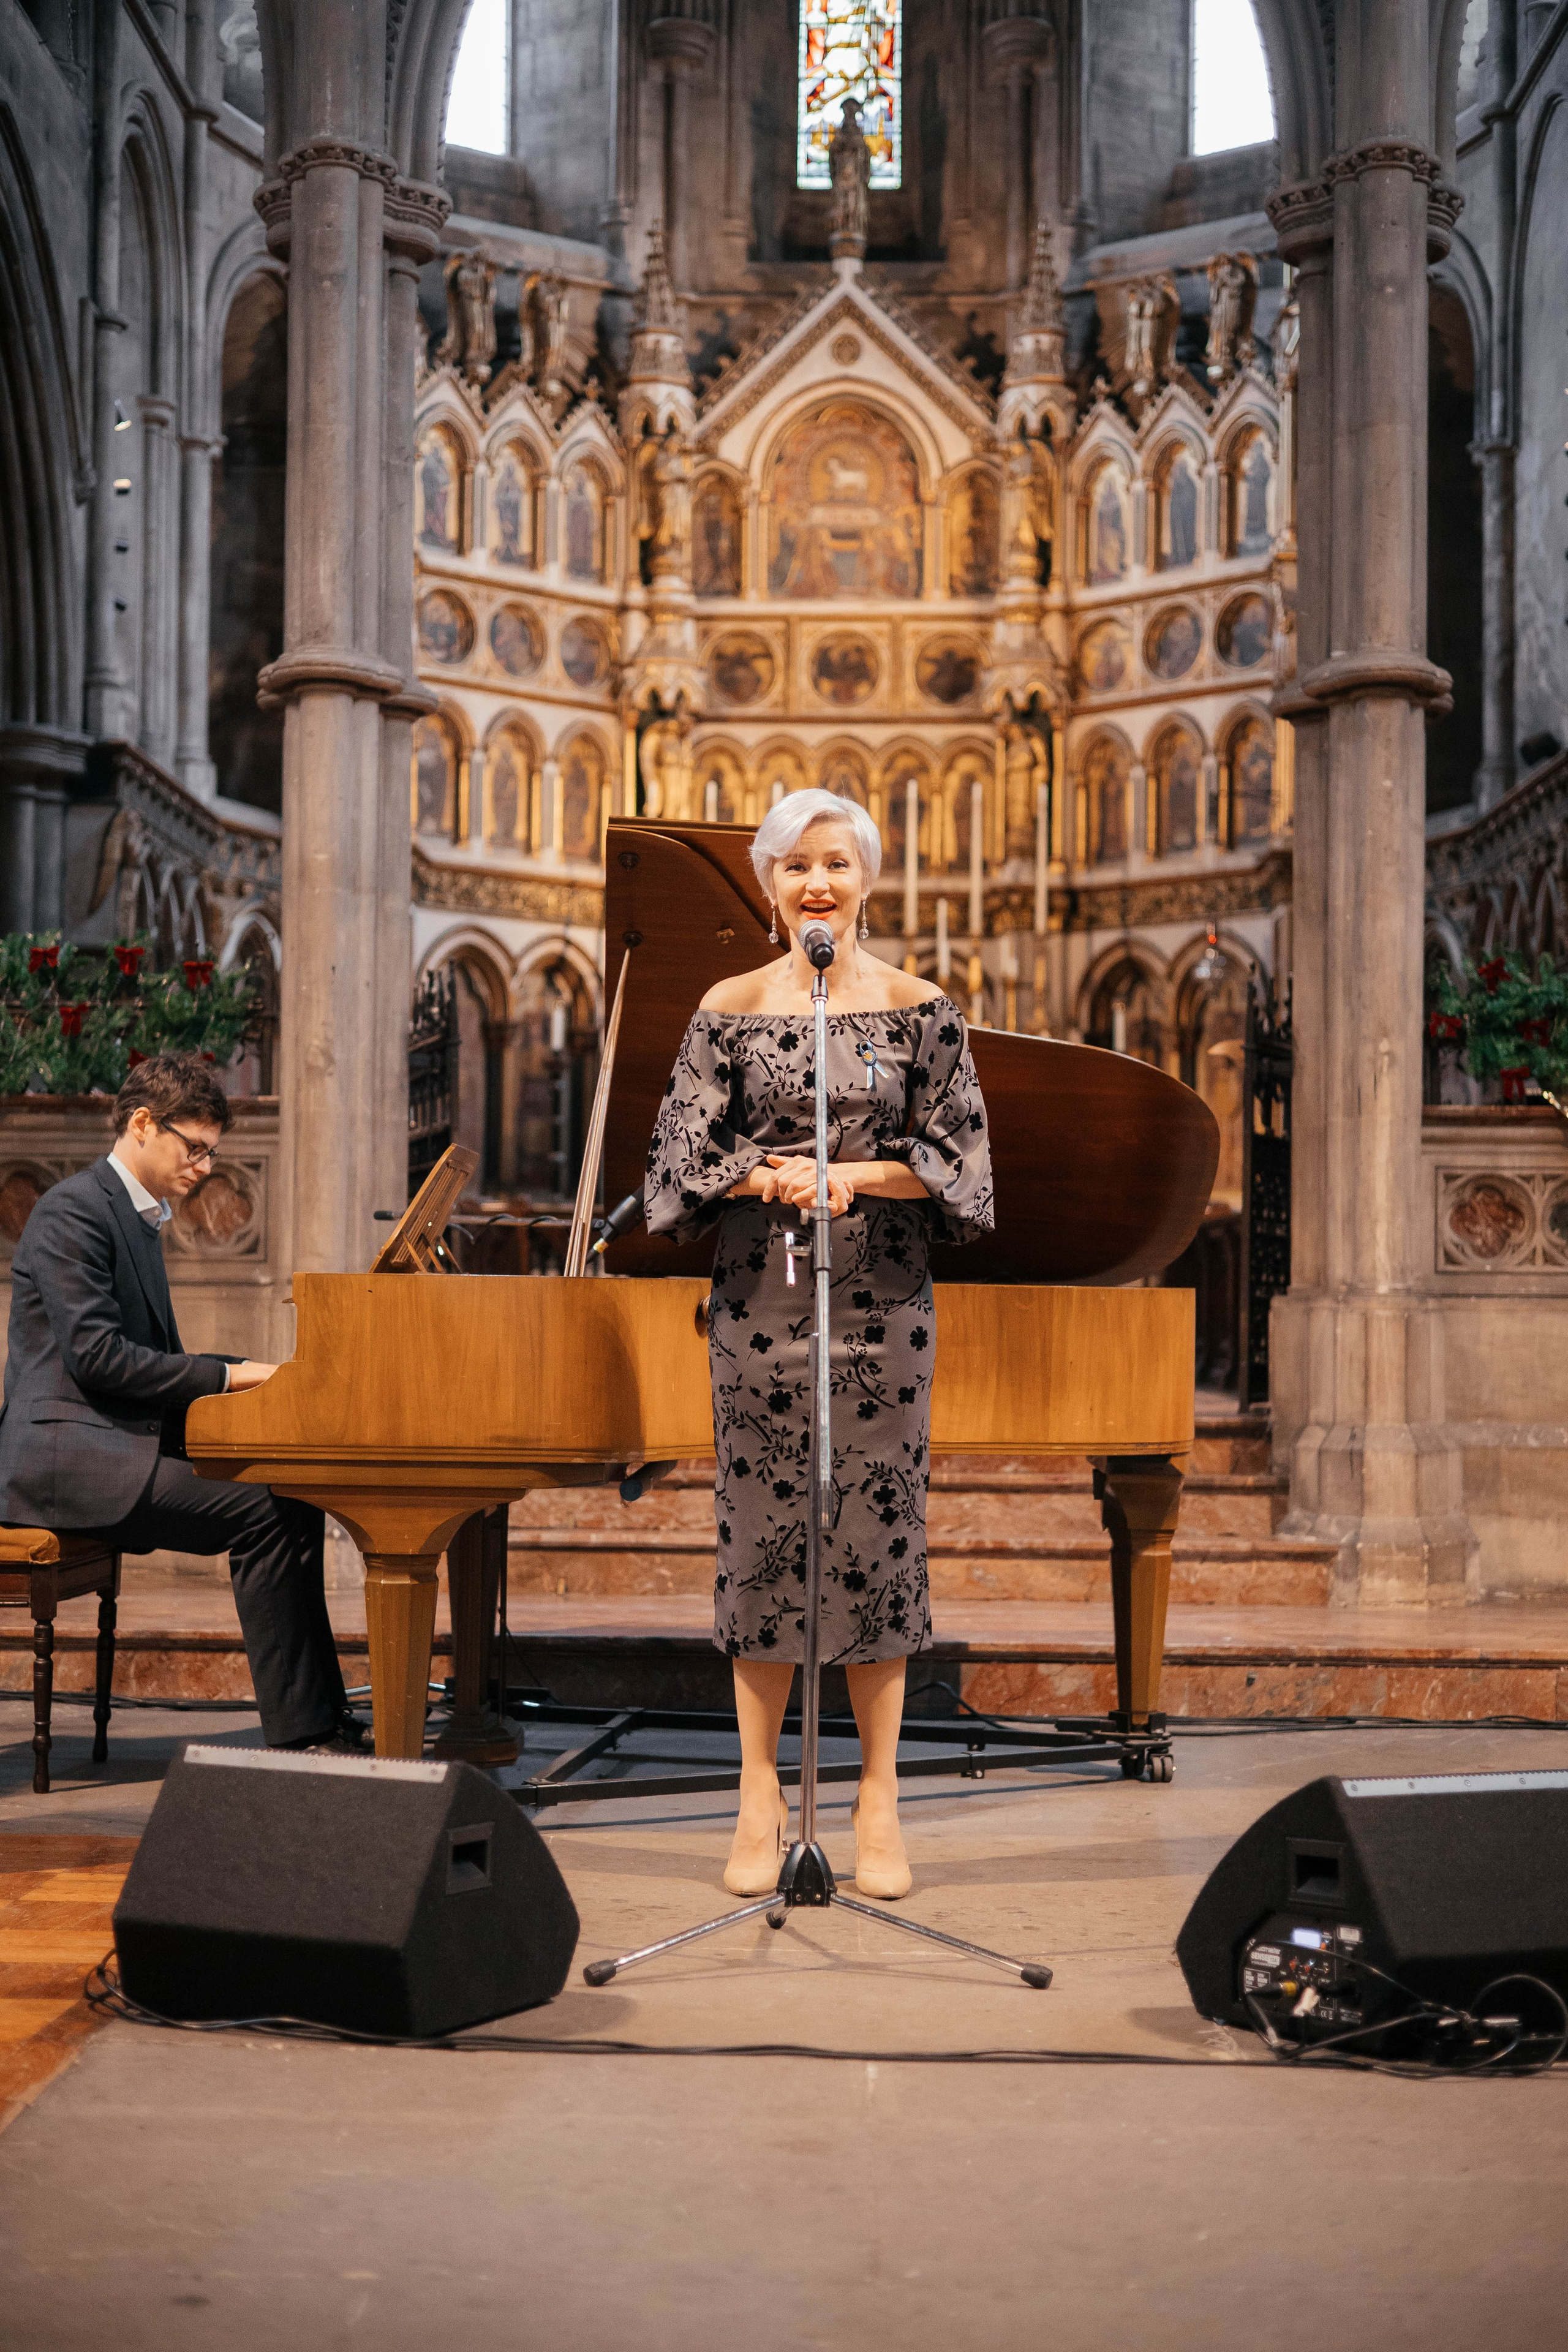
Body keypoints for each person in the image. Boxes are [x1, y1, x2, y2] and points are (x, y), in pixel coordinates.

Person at [645, 791, 993, 1900]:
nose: (817, 886)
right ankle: (758, 1792)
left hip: (883, 1310)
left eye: (836, 865)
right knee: (761, 1537)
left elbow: (966, 1171)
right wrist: (769, 1175)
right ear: (767, 883)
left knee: (878, 1537)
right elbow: (674, 1166)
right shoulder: (727, 1007)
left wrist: (852, 1177)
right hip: (760, 1307)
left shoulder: (920, 1006)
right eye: (796, 867)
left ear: (868, 878)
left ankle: (879, 1795)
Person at [0, 1052, 362, 1755]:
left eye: (211, 1152)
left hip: (105, 1442)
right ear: (142, 1123)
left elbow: (146, 1360)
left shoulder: (133, 1215)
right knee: (265, 1509)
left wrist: (249, 1372)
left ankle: (321, 1717)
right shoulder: (73, 1210)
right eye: (195, 1148)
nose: (204, 1167)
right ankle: (303, 1733)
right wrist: (233, 1377)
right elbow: (100, 1359)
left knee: (290, 1494)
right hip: (63, 1459)